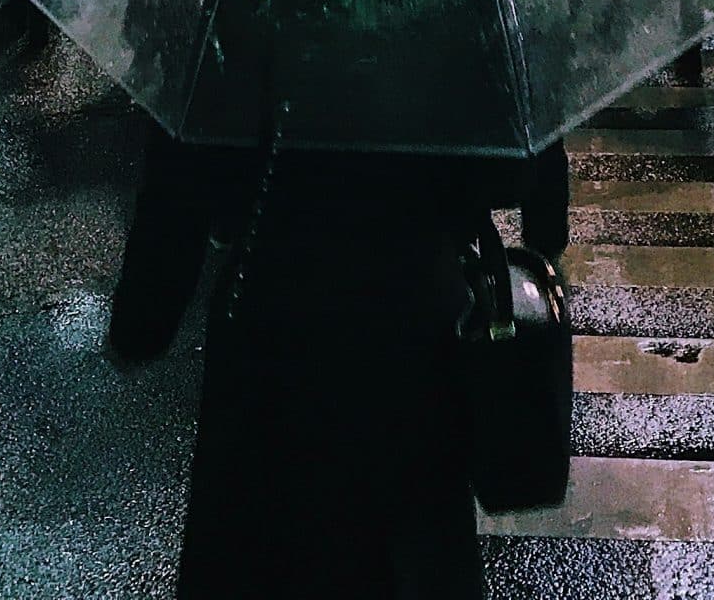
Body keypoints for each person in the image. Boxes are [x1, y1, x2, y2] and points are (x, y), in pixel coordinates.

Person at [109, 125, 568, 599]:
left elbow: (182, 179)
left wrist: (143, 323)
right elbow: (510, 173)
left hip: (273, 313)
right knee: (409, 547)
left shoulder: (242, 48)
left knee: (260, 546)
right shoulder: (450, 50)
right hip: (414, 319)